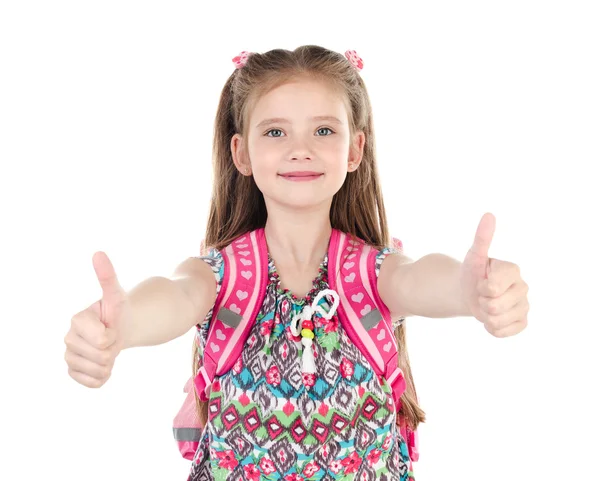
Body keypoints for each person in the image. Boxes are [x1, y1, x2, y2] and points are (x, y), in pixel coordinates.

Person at [63, 45, 530, 481]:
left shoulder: (372, 274)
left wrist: (469, 294)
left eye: (324, 130)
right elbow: (176, 296)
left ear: (355, 151)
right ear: (241, 153)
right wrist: (123, 329)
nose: (300, 148)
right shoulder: (220, 277)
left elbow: (419, 278)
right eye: (275, 131)